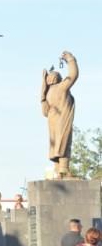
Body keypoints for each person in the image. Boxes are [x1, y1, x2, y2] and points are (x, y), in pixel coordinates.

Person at [41, 51, 78, 179]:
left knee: (56, 145)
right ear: (58, 79)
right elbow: (73, 75)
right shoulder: (62, 87)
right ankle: (64, 170)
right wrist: (70, 59)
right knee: (65, 141)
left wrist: (43, 86)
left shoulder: (48, 93)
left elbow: (44, 112)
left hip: (52, 121)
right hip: (62, 120)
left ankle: (59, 173)